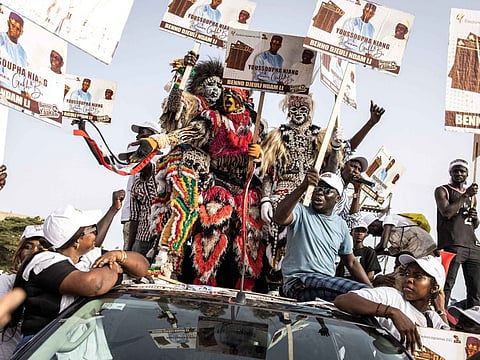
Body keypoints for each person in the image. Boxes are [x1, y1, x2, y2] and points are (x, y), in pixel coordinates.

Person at [12, 203, 149, 344]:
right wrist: (113, 268)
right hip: (44, 347)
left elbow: (142, 266)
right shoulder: (43, 261)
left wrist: (118, 255)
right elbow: (94, 285)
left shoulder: (91, 255)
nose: (96, 233)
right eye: (92, 229)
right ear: (77, 240)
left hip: (78, 344)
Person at [274, 169, 371, 302]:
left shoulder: (341, 225)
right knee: (359, 292)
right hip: (298, 282)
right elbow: (279, 217)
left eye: (327, 190)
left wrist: (372, 289)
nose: (320, 192)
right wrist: (303, 187)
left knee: (366, 297)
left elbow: (352, 262)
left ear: (338, 198)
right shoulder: (301, 212)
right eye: (317, 188)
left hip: (324, 284)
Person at [335, 254, 449, 354]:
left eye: (418, 276)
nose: (408, 279)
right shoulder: (392, 296)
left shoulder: (432, 318)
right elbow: (343, 300)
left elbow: (453, 343)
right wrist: (392, 312)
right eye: (407, 273)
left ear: (434, 288)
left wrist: (441, 310)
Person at [435, 158, 480, 308]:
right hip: (453, 243)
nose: (459, 174)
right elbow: (446, 213)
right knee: (447, 284)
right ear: (450, 173)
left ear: (467, 174)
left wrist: (476, 218)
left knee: (475, 288)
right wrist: (465, 195)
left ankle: (473, 321)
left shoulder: (472, 196)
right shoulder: (443, 190)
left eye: (462, 171)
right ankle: (439, 316)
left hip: (472, 244)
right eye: (455, 171)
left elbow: (473, 224)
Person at [0, 225, 45, 359]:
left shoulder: (58, 288)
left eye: (41, 248)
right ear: (19, 253)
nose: (34, 251)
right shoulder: (5, 282)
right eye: (28, 247)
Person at [366, 213, 437, 258]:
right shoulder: (392, 237)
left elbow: (383, 245)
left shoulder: (388, 219)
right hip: (419, 252)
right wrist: (380, 253)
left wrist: (371, 252)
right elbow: (398, 253)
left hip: (425, 247)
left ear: (373, 226)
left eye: (370, 232)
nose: (372, 235)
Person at [0, 12, 27, 92]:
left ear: (22, 32)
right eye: (13, 25)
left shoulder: (22, 53)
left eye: (18, 29)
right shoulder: (1, 39)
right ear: (8, 23)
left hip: (15, 98)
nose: (14, 30)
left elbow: (23, 77)